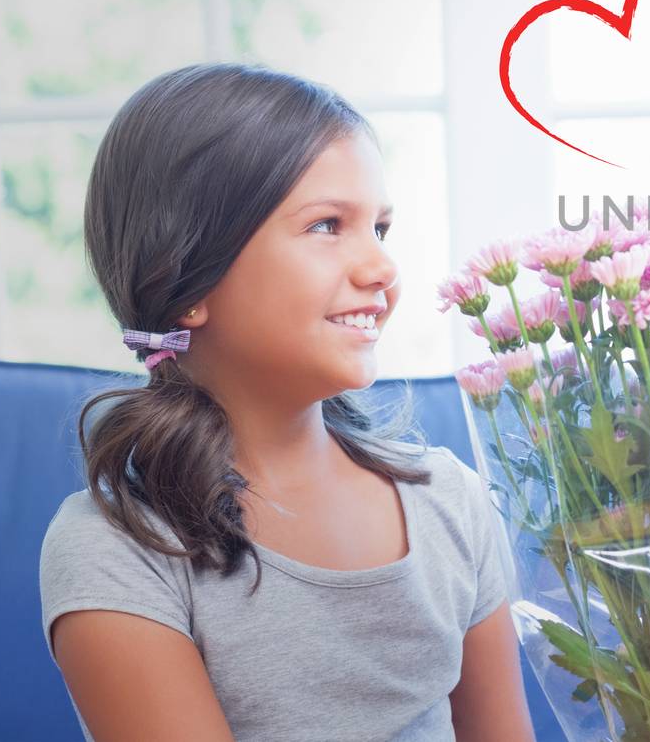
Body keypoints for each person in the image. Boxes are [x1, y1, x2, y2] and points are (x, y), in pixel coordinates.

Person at [39, 63, 537, 742]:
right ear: (188, 277)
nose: (382, 269)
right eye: (328, 225)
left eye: (380, 228)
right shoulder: (119, 549)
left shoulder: (451, 501)